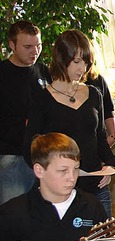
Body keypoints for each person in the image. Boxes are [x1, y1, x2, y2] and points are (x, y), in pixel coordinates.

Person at [24, 29, 115, 241]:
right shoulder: (43, 97)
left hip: (94, 187)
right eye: (76, 61)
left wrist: (110, 166)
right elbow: (29, 146)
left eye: (86, 62)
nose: (82, 68)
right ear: (61, 59)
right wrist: (52, 171)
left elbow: (100, 141)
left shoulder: (93, 93)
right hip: (58, 191)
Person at [0, 20, 49, 205]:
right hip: (12, 156)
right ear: (12, 45)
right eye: (28, 46)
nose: (35, 52)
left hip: (42, 155)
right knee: (13, 215)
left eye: (38, 45)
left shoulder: (43, 71)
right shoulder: (3, 74)